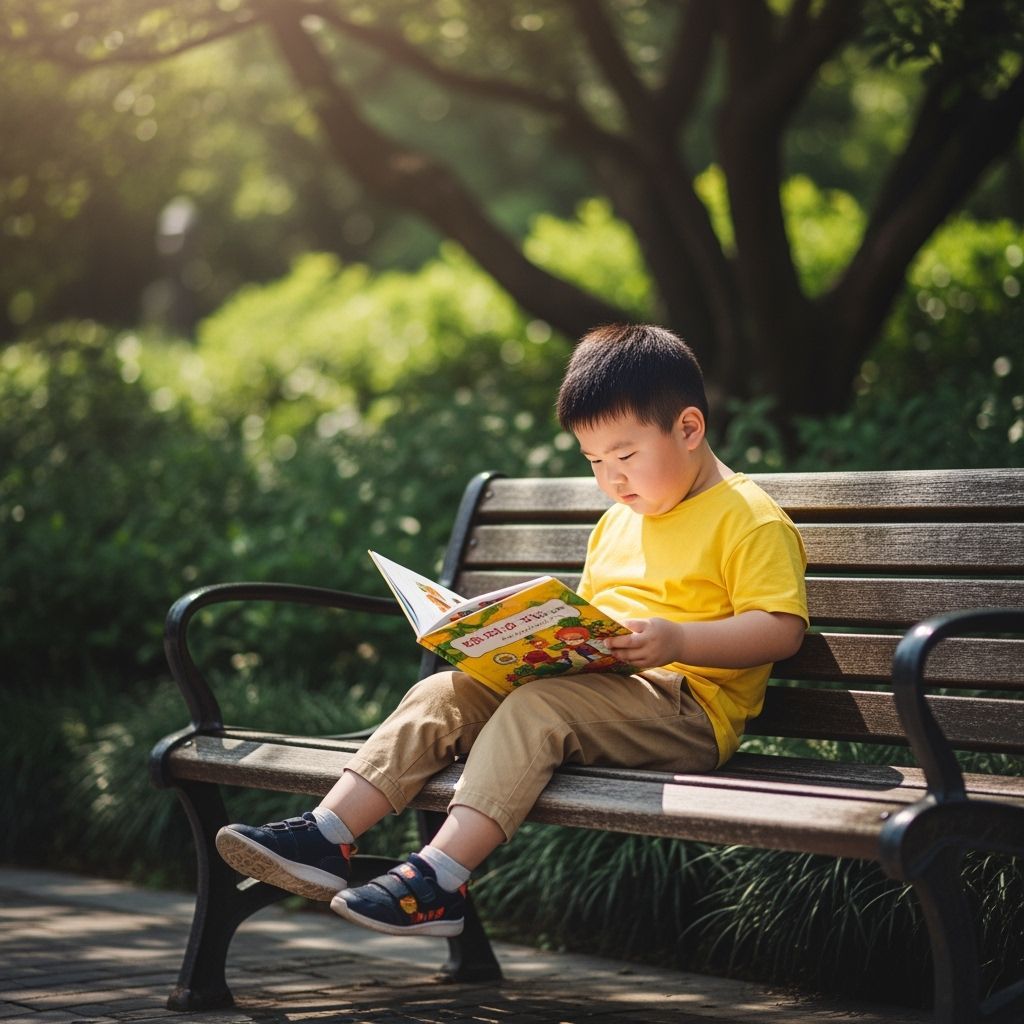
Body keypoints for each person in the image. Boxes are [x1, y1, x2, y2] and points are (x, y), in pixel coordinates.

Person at [215, 323, 809, 938]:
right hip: (604, 692)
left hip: (689, 707)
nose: (612, 480)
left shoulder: (748, 518)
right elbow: (596, 619)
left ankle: (439, 880)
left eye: (626, 457)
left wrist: (677, 641)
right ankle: (326, 834)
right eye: (595, 462)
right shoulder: (618, 522)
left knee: (537, 707)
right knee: (441, 693)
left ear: (688, 429)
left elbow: (780, 630)